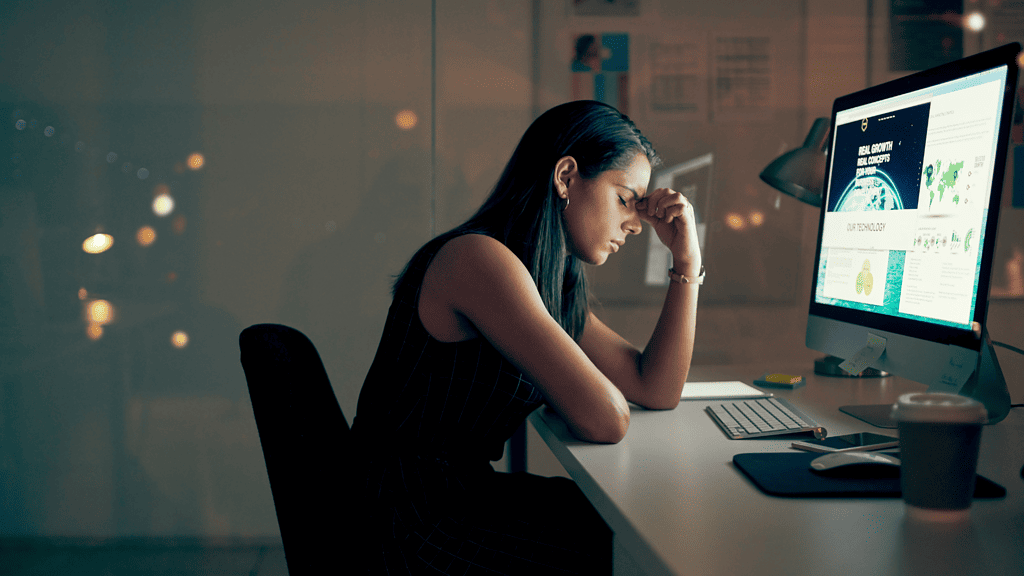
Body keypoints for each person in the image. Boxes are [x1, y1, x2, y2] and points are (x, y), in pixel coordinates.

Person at [348, 100, 702, 574]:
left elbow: (655, 389)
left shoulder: (548, 281)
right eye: (625, 199)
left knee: (645, 523)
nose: (636, 224)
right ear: (565, 177)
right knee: (625, 550)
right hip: (406, 521)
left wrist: (687, 264)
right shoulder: (479, 261)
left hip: (462, 494)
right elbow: (607, 420)